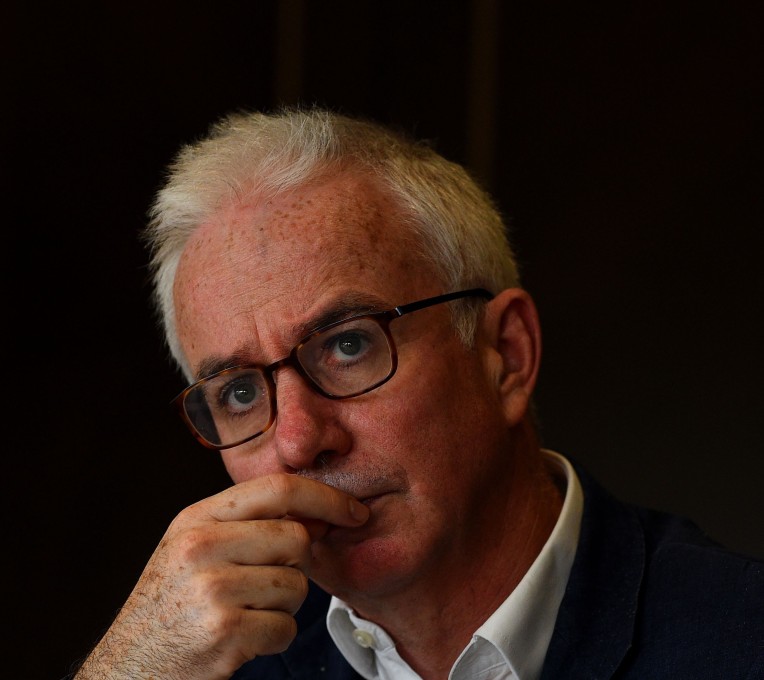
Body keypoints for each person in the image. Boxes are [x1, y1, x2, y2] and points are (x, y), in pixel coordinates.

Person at [76, 108, 763, 679]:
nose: (299, 441)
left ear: (507, 357)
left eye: (348, 344)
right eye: (240, 393)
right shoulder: (205, 667)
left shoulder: (739, 639)